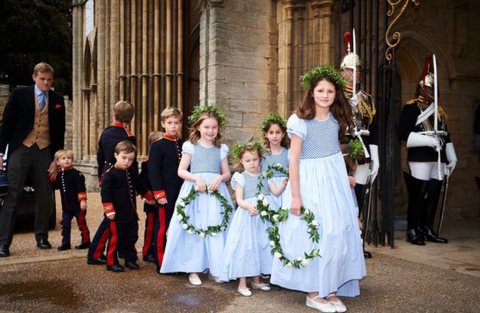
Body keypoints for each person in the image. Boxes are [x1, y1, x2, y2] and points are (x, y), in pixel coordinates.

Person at [270, 65, 366, 313]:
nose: (325, 95)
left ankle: (331, 289)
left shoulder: (335, 119)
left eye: (330, 91)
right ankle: (314, 292)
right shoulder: (299, 120)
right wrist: (296, 196)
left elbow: (334, 151)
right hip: (309, 181)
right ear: (312, 93)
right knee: (316, 233)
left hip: (333, 181)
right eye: (321, 90)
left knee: (337, 232)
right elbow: (294, 159)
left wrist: (343, 175)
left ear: (336, 94)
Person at [160, 104, 234, 286]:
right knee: (194, 226)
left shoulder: (221, 149)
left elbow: (227, 173)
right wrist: (196, 179)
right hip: (195, 192)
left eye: (214, 127)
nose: (210, 130)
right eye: (207, 127)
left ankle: (215, 267)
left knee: (216, 226)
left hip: (216, 193)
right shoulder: (190, 146)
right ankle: (193, 269)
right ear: (198, 127)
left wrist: (220, 178)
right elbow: (181, 171)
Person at [0, 62, 66, 257]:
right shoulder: (19, 95)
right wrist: (1, 154)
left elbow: (59, 131)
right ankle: (3, 243)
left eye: (49, 79)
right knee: (13, 195)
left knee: (45, 196)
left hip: (44, 151)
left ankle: (42, 237)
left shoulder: (57, 100)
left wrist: (57, 159)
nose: (45, 82)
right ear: (34, 77)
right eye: (42, 79)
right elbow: (6, 124)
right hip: (21, 148)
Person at [398, 54, 456, 246]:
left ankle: (428, 228)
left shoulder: (439, 110)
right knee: (417, 194)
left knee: (433, 194)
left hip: (438, 158)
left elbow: (445, 135)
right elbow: (403, 133)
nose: (433, 90)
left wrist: (451, 156)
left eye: (435, 87)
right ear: (422, 87)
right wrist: (426, 141)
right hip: (421, 156)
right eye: (430, 87)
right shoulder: (412, 107)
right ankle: (413, 230)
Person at [219, 138, 287, 296]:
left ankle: (257, 280)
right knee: (246, 246)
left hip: (263, 217)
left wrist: (284, 183)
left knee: (262, 245)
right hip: (248, 216)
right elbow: (240, 199)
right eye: (248, 160)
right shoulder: (240, 177)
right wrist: (248, 206)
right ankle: (242, 283)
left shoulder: (265, 174)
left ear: (260, 159)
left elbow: (275, 192)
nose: (252, 163)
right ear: (241, 161)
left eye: (255, 159)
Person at [340, 31, 379, 259]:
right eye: (351, 70)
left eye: (358, 71)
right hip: (343, 151)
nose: (356, 74)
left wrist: (376, 157)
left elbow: (372, 130)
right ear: (343, 71)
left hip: (362, 152)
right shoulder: (334, 96)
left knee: (360, 198)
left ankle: (358, 242)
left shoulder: (366, 98)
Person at [87, 100, 136, 265]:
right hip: (123, 178)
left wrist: (102, 175)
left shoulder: (106, 133)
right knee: (112, 219)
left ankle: (118, 250)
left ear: (114, 115)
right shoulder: (129, 137)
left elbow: (100, 156)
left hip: (107, 174)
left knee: (119, 218)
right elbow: (133, 164)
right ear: (130, 119)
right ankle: (96, 253)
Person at [101, 140, 154, 272]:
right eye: (123, 158)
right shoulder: (110, 175)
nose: (127, 162)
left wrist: (149, 197)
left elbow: (140, 187)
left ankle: (130, 260)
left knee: (131, 238)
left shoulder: (131, 172)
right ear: (115, 155)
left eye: (130, 159)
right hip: (116, 215)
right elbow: (106, 194)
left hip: (130, 214)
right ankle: (111, 262)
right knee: (115, 240)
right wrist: (109, 211)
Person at [148, 107, 185, 273]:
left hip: (183, 194)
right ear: (163, 124)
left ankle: (179, 261)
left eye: (176, 123)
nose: (173, 126)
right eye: (170, 123)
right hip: (166, 195)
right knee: (163, 228)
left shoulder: (185, 145)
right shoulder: (158, 146)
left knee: (181, 228)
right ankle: (161, 262)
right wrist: (159, 194)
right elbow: (154, 172)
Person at [50, 149, 90, 251]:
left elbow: (81, 188)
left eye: (69, 158)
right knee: (65, 225)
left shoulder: (76, 174)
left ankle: (86, 241)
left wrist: (83, 201)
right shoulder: (59, 175)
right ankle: (66, 243)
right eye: (63, 158)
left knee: (81, 224)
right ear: (57, 162)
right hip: (66, 206)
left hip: (78, 205)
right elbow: (55, 185)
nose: (67, 160)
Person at [139, 130, 164, 264]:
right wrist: (147, 197)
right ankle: (147, 251)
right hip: (151, 200)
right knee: (150, 227)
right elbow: (142, 182)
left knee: (159, 227)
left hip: (162, 199)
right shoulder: (147, 162)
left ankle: (158, 250)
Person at [261, 114, 290, 209]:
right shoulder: (263, 156)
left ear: (283, 134)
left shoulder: (288, 153)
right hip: (269, 194)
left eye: (278, 132)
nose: (274, 136)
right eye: (271, 132)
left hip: (286, 191)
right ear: (266, 134)